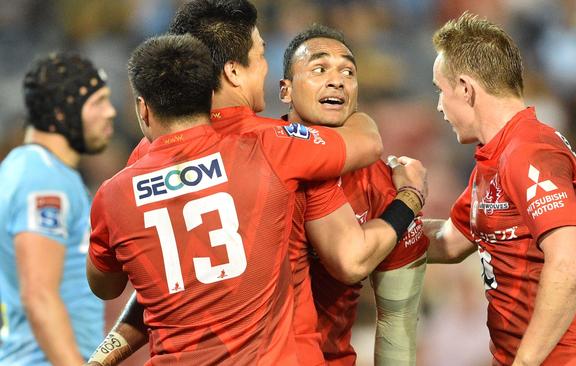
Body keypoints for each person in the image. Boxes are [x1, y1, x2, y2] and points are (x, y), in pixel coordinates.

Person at [85, 2, 426, 364]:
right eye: (261, 54)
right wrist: (410, 196)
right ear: (233, 71)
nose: (265, 64)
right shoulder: (279, 147)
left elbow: (164, 282)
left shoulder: (138, 163)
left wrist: (101, 357)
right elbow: (351, 256)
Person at [425, 12, 576, 365]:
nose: (440, 106)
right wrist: (373, 228)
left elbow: (569, 263)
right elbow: (448, 241)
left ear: (466, 88)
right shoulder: (496, 158)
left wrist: (524, 362)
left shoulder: (529, 150)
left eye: (441, 91)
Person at [279, 24, 429, 366]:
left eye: (348, 72)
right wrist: (411, 197)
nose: (337, 80)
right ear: (285, 91)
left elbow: (396, 321)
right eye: (319, 69)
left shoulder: (380, 182)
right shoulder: (257, 156)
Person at [0, 52, 114, 365]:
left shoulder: (28, 168)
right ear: (65, 112)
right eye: (99, 102)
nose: (111, 112)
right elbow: (38, 295)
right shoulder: (44, 179)